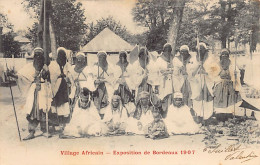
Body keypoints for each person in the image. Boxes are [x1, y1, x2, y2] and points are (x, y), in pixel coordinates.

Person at [8, 47, 52, 140]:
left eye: (40, 55)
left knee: (44, 109)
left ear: (42, 56)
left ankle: (45, 130)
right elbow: (21, 76)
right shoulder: (28, 66)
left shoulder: (45, 66)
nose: (38, 57)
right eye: (36, 55)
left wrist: (46, 72)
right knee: (32, 110)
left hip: (43, 89)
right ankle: (31, 132)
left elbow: (47, 78)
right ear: (34, 56)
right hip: (33, 91)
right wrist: (11, 75)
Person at [187, 43, 215, 121]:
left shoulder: (210, 59)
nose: (201, 51)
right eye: (199, 49)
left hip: (207, 80)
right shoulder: (192, 60)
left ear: (205, 50)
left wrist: (206, 72)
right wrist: (198, 66)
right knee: (197, 97)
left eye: (202, 49)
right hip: (196, 80)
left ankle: (207, 116)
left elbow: (214, 70)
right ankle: (198, 114)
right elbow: (190, 72)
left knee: (207, 97)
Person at [49, 47, 73, 135]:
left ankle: (63, 124)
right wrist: (59, 75)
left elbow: (70, 74)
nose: (61, 57)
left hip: (64, 87)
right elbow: (52, 76)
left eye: (63, 56)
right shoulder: (53, 65)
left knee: (64, 105)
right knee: (55, 105)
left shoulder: (67, 65)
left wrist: (66, 77)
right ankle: (55, 125)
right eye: (60, 55)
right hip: (56, 88)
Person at [213, 48, 242, 115]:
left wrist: (235, 74)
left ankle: (229, 113)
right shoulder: (217, 64)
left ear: (228, 56)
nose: (224, 56)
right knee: (220, 96)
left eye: (226, 54)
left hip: (230, 83)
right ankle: (220, 112)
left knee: (230, 98)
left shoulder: (232, 64)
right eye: (223, 54)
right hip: (220, 82)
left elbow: (237, 73)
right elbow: (213, 75)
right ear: (221, 55)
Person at [91, 51, 120, 119]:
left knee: (108, 102)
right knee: (98, 103)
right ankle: (98, 118)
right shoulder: (95, 67)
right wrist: (95, 81)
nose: (101, 58)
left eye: (103, 57)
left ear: (106, 58)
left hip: (108, 87)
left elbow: (113, 78)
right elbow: (92, 78)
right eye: (100, 57)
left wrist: (105, 80)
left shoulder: (111, 66)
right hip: (98, 88)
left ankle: (108, 118)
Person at [114, 51, 135, 116]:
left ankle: (128, 113)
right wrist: (120, 80)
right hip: (119, 85)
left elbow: (132, 77)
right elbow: (115, 77)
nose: (122, 58)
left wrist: (128, 84)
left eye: (124, 57)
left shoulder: (130, 66)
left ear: (126, 57)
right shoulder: (116, 66)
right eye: (121, 57)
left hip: (128, 85)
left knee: (127, 101)